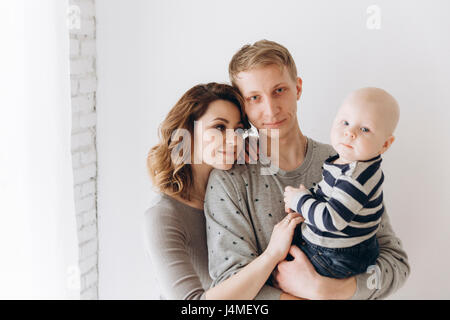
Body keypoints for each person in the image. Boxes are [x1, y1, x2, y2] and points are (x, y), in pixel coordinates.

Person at [204, 40, 410, 299]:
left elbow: (395, 263)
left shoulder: (346, 162)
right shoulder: (229, 180)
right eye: (254, 98)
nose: (271, 109)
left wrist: (326, 291)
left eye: (279, 90)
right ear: (243, 106)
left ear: (297, 88)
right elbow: (228, 287)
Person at [144, 82, 304, 300]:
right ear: (187, 132)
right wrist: (271, 255)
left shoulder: (235, 190)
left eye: (239, 130)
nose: (233, 140)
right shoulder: (163, 215)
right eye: (219, 127)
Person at [283, 87, 400, 279]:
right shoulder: (349, 162)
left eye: (364, 129)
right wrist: (310, 195)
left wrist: (299, 200)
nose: (350, 133)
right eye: (345, 122)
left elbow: (331, 220)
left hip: (336, 256)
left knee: (281, 273)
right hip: (348, 248)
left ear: (385, 144)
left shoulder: (356, 176)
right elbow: (331, 194)